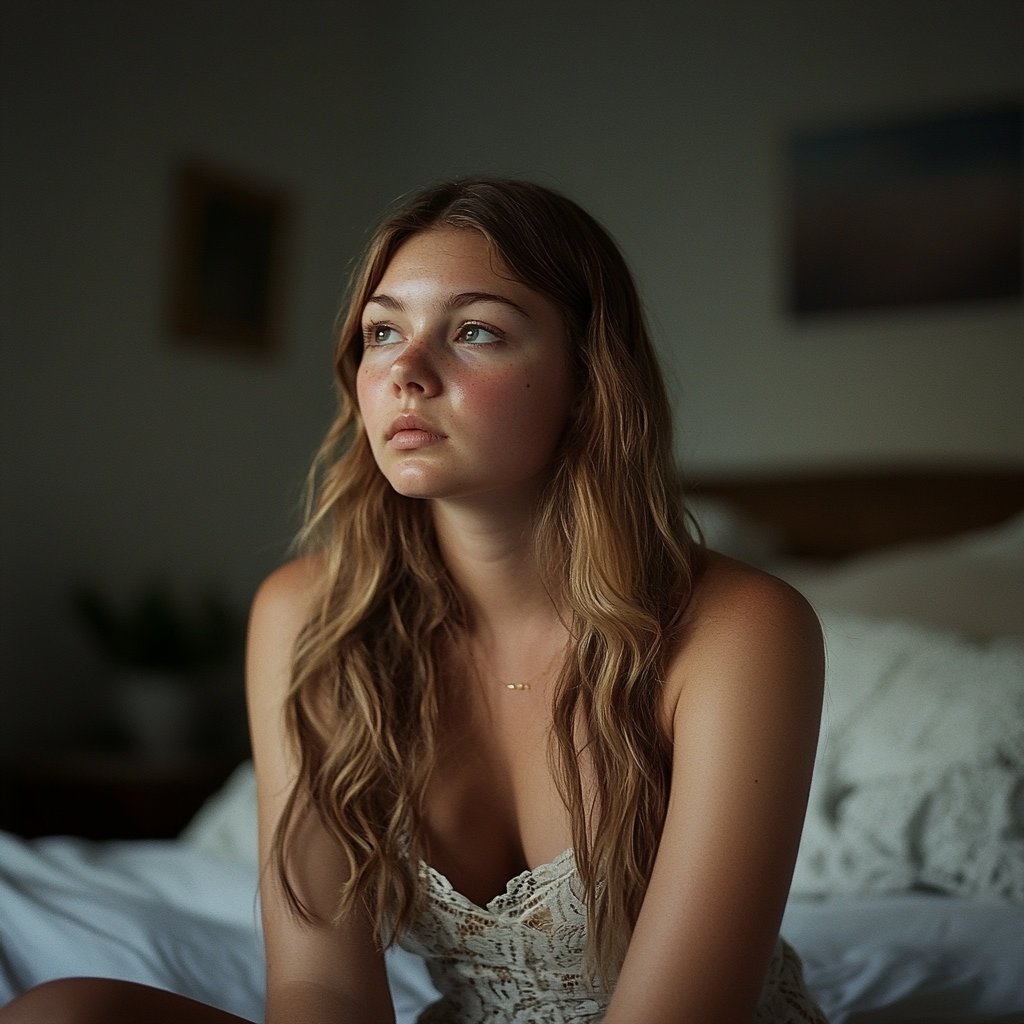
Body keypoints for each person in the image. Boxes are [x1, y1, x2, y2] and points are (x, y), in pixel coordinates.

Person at [1, 179, 827, 1023]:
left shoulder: (739, 630)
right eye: (383, 332)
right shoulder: (312, 618)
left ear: (588, 378)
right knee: (60, 1015)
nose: (406, 371)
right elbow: (322, 987)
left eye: (475, 332)